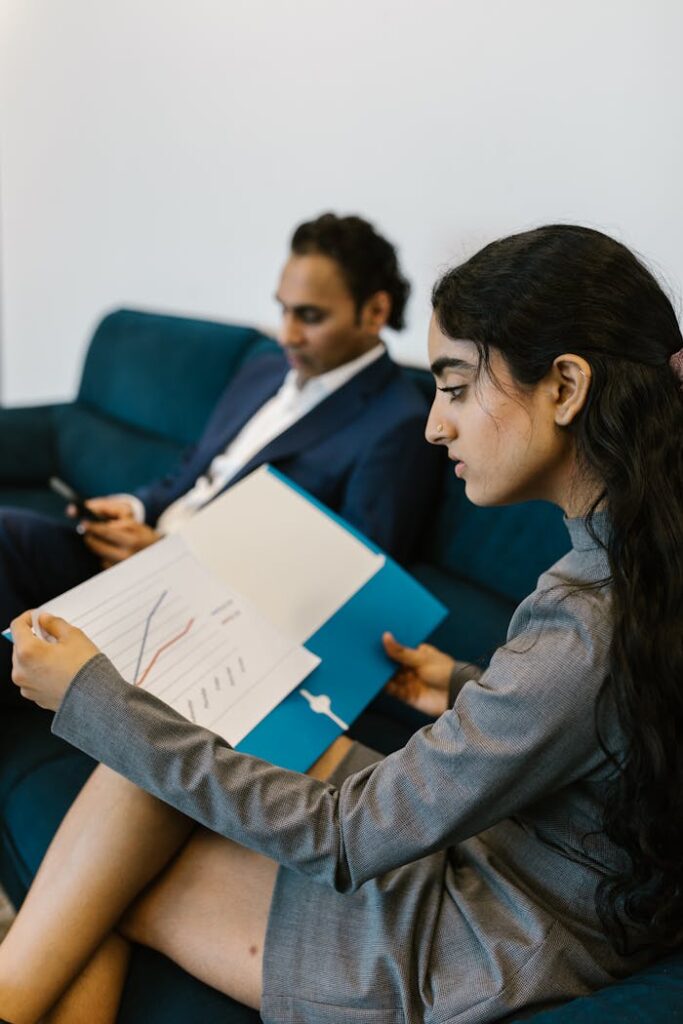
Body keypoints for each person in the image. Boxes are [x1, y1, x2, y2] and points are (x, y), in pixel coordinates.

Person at [2, 224, 682, 1024]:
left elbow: (346, 836)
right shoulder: (632, 559)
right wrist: (466, 684)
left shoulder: (585, 620)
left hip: (487, 935)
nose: (436, 425)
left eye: (457, 387)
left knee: (100, 881)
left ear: (565, 387)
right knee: (171, 752)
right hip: (495, 849)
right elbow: (601, 711)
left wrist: (90, 694)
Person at [0, 212, 439, 705]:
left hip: (203, 611)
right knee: (7, 533)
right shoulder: (263, 370)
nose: (287, 334)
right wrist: (134, 508)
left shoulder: (397, 424)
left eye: (310, 316)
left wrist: (170, 562)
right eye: (284, 310)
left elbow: (345, 586)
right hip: (138, 556)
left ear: (375, 311)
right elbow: (191, 475)